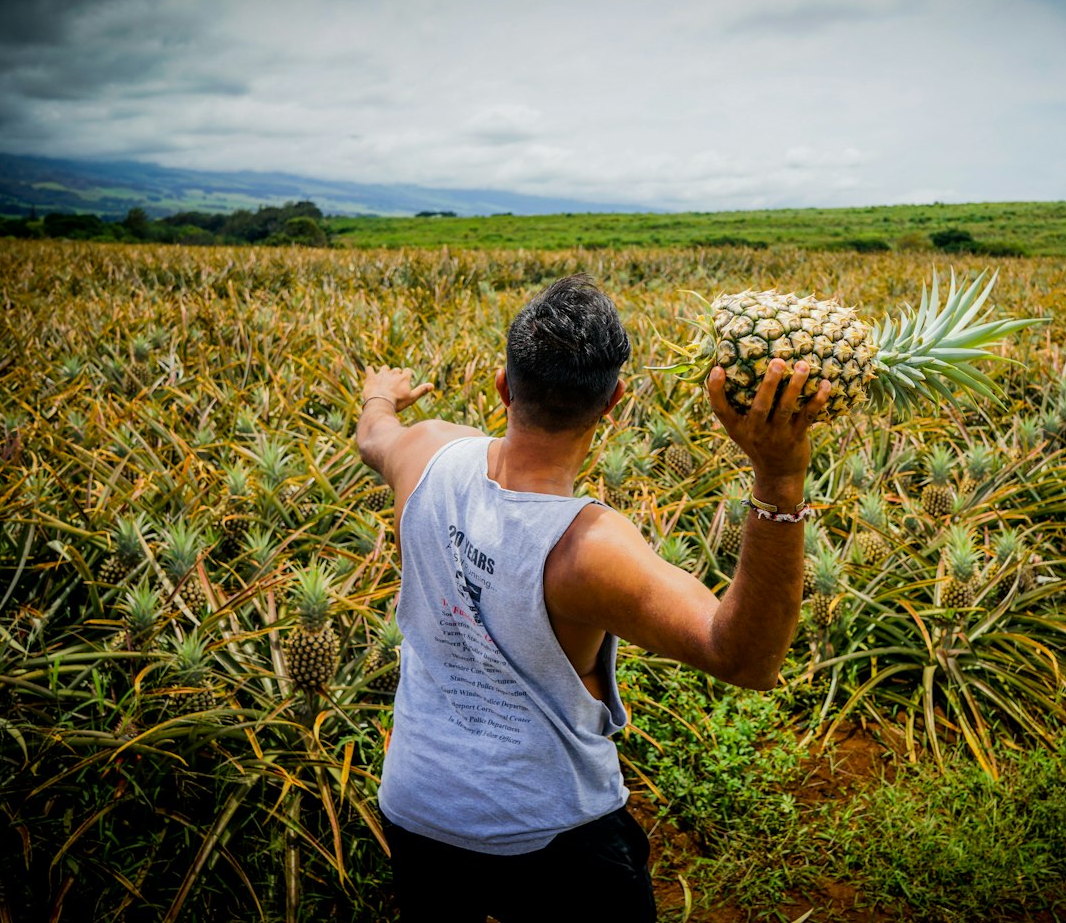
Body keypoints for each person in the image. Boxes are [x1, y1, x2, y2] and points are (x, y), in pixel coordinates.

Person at [356, 273, 830, 921]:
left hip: (417, 804)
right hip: (550, 836)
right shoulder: (587, 550)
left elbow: (373, 433)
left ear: (504, 383)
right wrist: (779, 478)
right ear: (615, 402)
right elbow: (744, 658)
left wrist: (381, 394)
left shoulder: (424, 451)